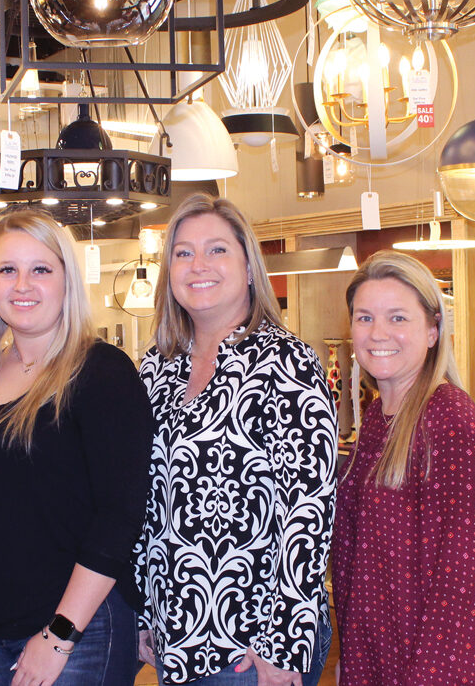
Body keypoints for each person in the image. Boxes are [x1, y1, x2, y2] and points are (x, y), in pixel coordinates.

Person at [135, 194, 337, 686]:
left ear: (249, 267)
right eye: (182, 253)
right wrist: (142, 611)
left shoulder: (287, 362)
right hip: (175, 635)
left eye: (217, 250)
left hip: (251, 647)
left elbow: (307, 510)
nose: (198, 265)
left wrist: (284, 645)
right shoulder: (156, 367)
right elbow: (145, 502)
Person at [0, 209, 153, 686]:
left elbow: (120, 516)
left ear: (67, 280)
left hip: (75, 632)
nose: (23, 284)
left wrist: (58, 634)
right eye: (7, 270)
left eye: (40, 269)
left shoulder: (102, 372)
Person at [332, 250, 475, 685]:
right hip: (377, 660)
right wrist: (351, 660)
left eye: (397, 318)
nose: (378, 333)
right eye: (365, 317)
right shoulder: (377, 421)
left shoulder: (450, 422)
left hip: (436, 669)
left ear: (432, 330)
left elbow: (462, 585)